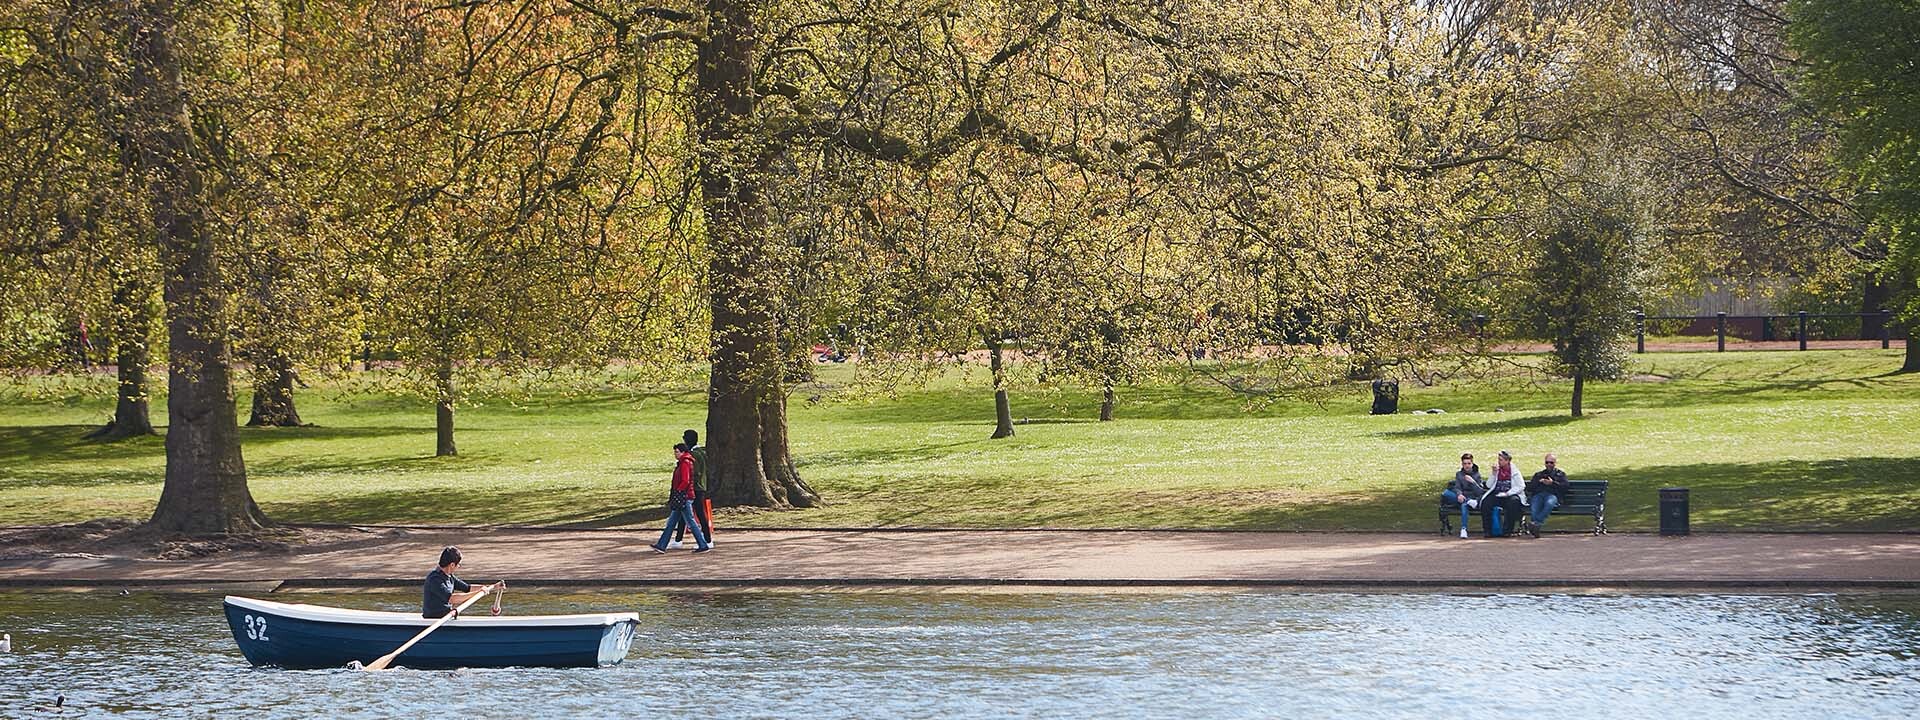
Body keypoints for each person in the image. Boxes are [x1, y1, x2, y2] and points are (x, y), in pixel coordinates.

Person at [652, 444, 712, 554]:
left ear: (683, 452)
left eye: (677, 452)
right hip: (683, 496)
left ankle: (703, 544)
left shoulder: (685, 463)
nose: (675, 454)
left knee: (690, 522)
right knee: (672, 522)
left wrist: (678, 492)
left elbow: (685, 480)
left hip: (684, 497)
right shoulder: (685, 462)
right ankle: (661, 545)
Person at [422, 546, 502, 619]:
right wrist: (478, 592)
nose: (459, 567)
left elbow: (467, 588)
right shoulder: (434, 579)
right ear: (452, 565)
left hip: (446, 617)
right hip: (432, 620)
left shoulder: (450, 577)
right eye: (458, 565)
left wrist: (492, 587)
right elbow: (452, 599)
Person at [670, 429, 712, 549]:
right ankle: (678, 539)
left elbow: (694, 472)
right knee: (684, 514)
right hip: (701, 486)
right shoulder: (703, 452)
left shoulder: (693, 454)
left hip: (695, 488)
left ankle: (708, 540)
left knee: (698, 514)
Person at [1523, 453, 1571, 537]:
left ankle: (1535, 524)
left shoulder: (1560, 474)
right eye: (1547, 462)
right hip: (1539, 495)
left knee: (1549, 503)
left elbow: (1565, 487)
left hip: (1553, 495)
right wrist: (1539, 482)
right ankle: (1535, 527)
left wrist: (1552, 483)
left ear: (1555, 463)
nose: (1549, 464)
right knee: (1535, 506)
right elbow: (1530, 488)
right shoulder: (1539, 474)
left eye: (1551, 463)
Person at [1482, 450, 1527, 537]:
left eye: (1501, 460)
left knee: (1513, 502)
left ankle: (1507, 530)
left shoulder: (1514, 471)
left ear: (1507, 461)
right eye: (1498, 459)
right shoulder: (1497, 470)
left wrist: (1508, 493)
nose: (1499, 462)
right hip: (1497, 494)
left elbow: (1521, 486)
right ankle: (1488, 530)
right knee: (1486, 503)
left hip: (1509, 495)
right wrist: (1494, 473)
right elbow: (1488, 485)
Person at [1440, 453, 1485, 538]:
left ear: (1472, 464)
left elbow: (1479, 492)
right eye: (1465, 463)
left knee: (1464, 505)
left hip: (1473, 498)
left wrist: (1472, 482)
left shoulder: (1477, 475)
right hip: (1461, 497)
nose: (1467, 466)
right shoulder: (1459, 474)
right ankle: (1467, 501)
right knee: (1446, 493)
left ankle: (1463, 529)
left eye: (1469, 463)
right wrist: (1459, 494)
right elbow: (1457, 487)